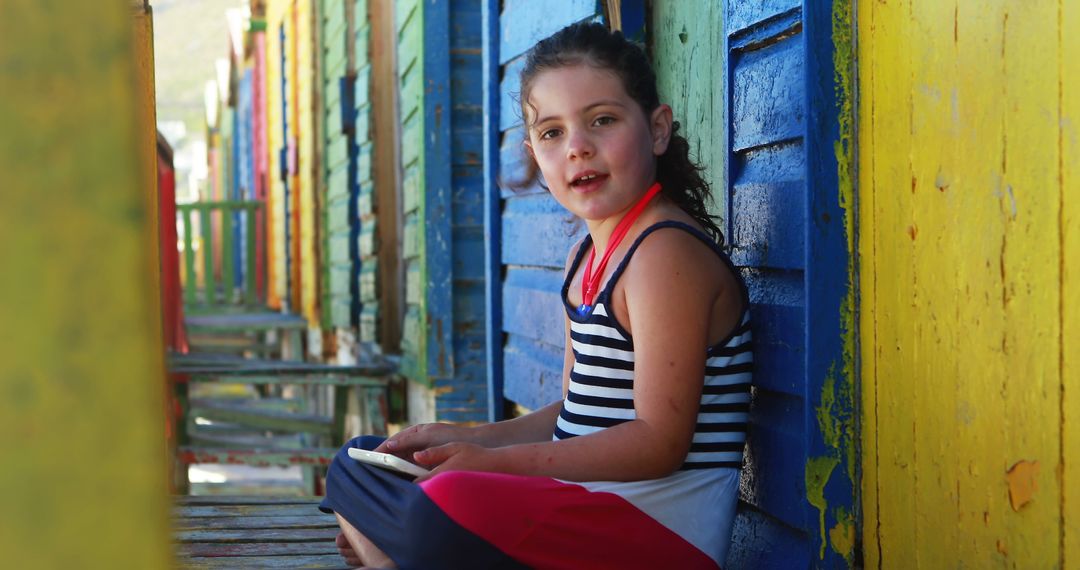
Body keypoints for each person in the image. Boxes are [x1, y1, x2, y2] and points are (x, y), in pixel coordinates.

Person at [319, 21, 752, 570]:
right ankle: (401, 543)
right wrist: (468, 438)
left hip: (661, 532)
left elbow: (658, 442)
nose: (577, 148)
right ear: (533, 152)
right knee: (359, 461)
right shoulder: (587, 260)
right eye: (552, 132)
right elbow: (572, 414)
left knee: (443, 504)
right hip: (582, 508)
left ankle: (391, 546)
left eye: (602, 120)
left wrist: (490, 467)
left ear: (658, 128)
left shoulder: (663, 255)